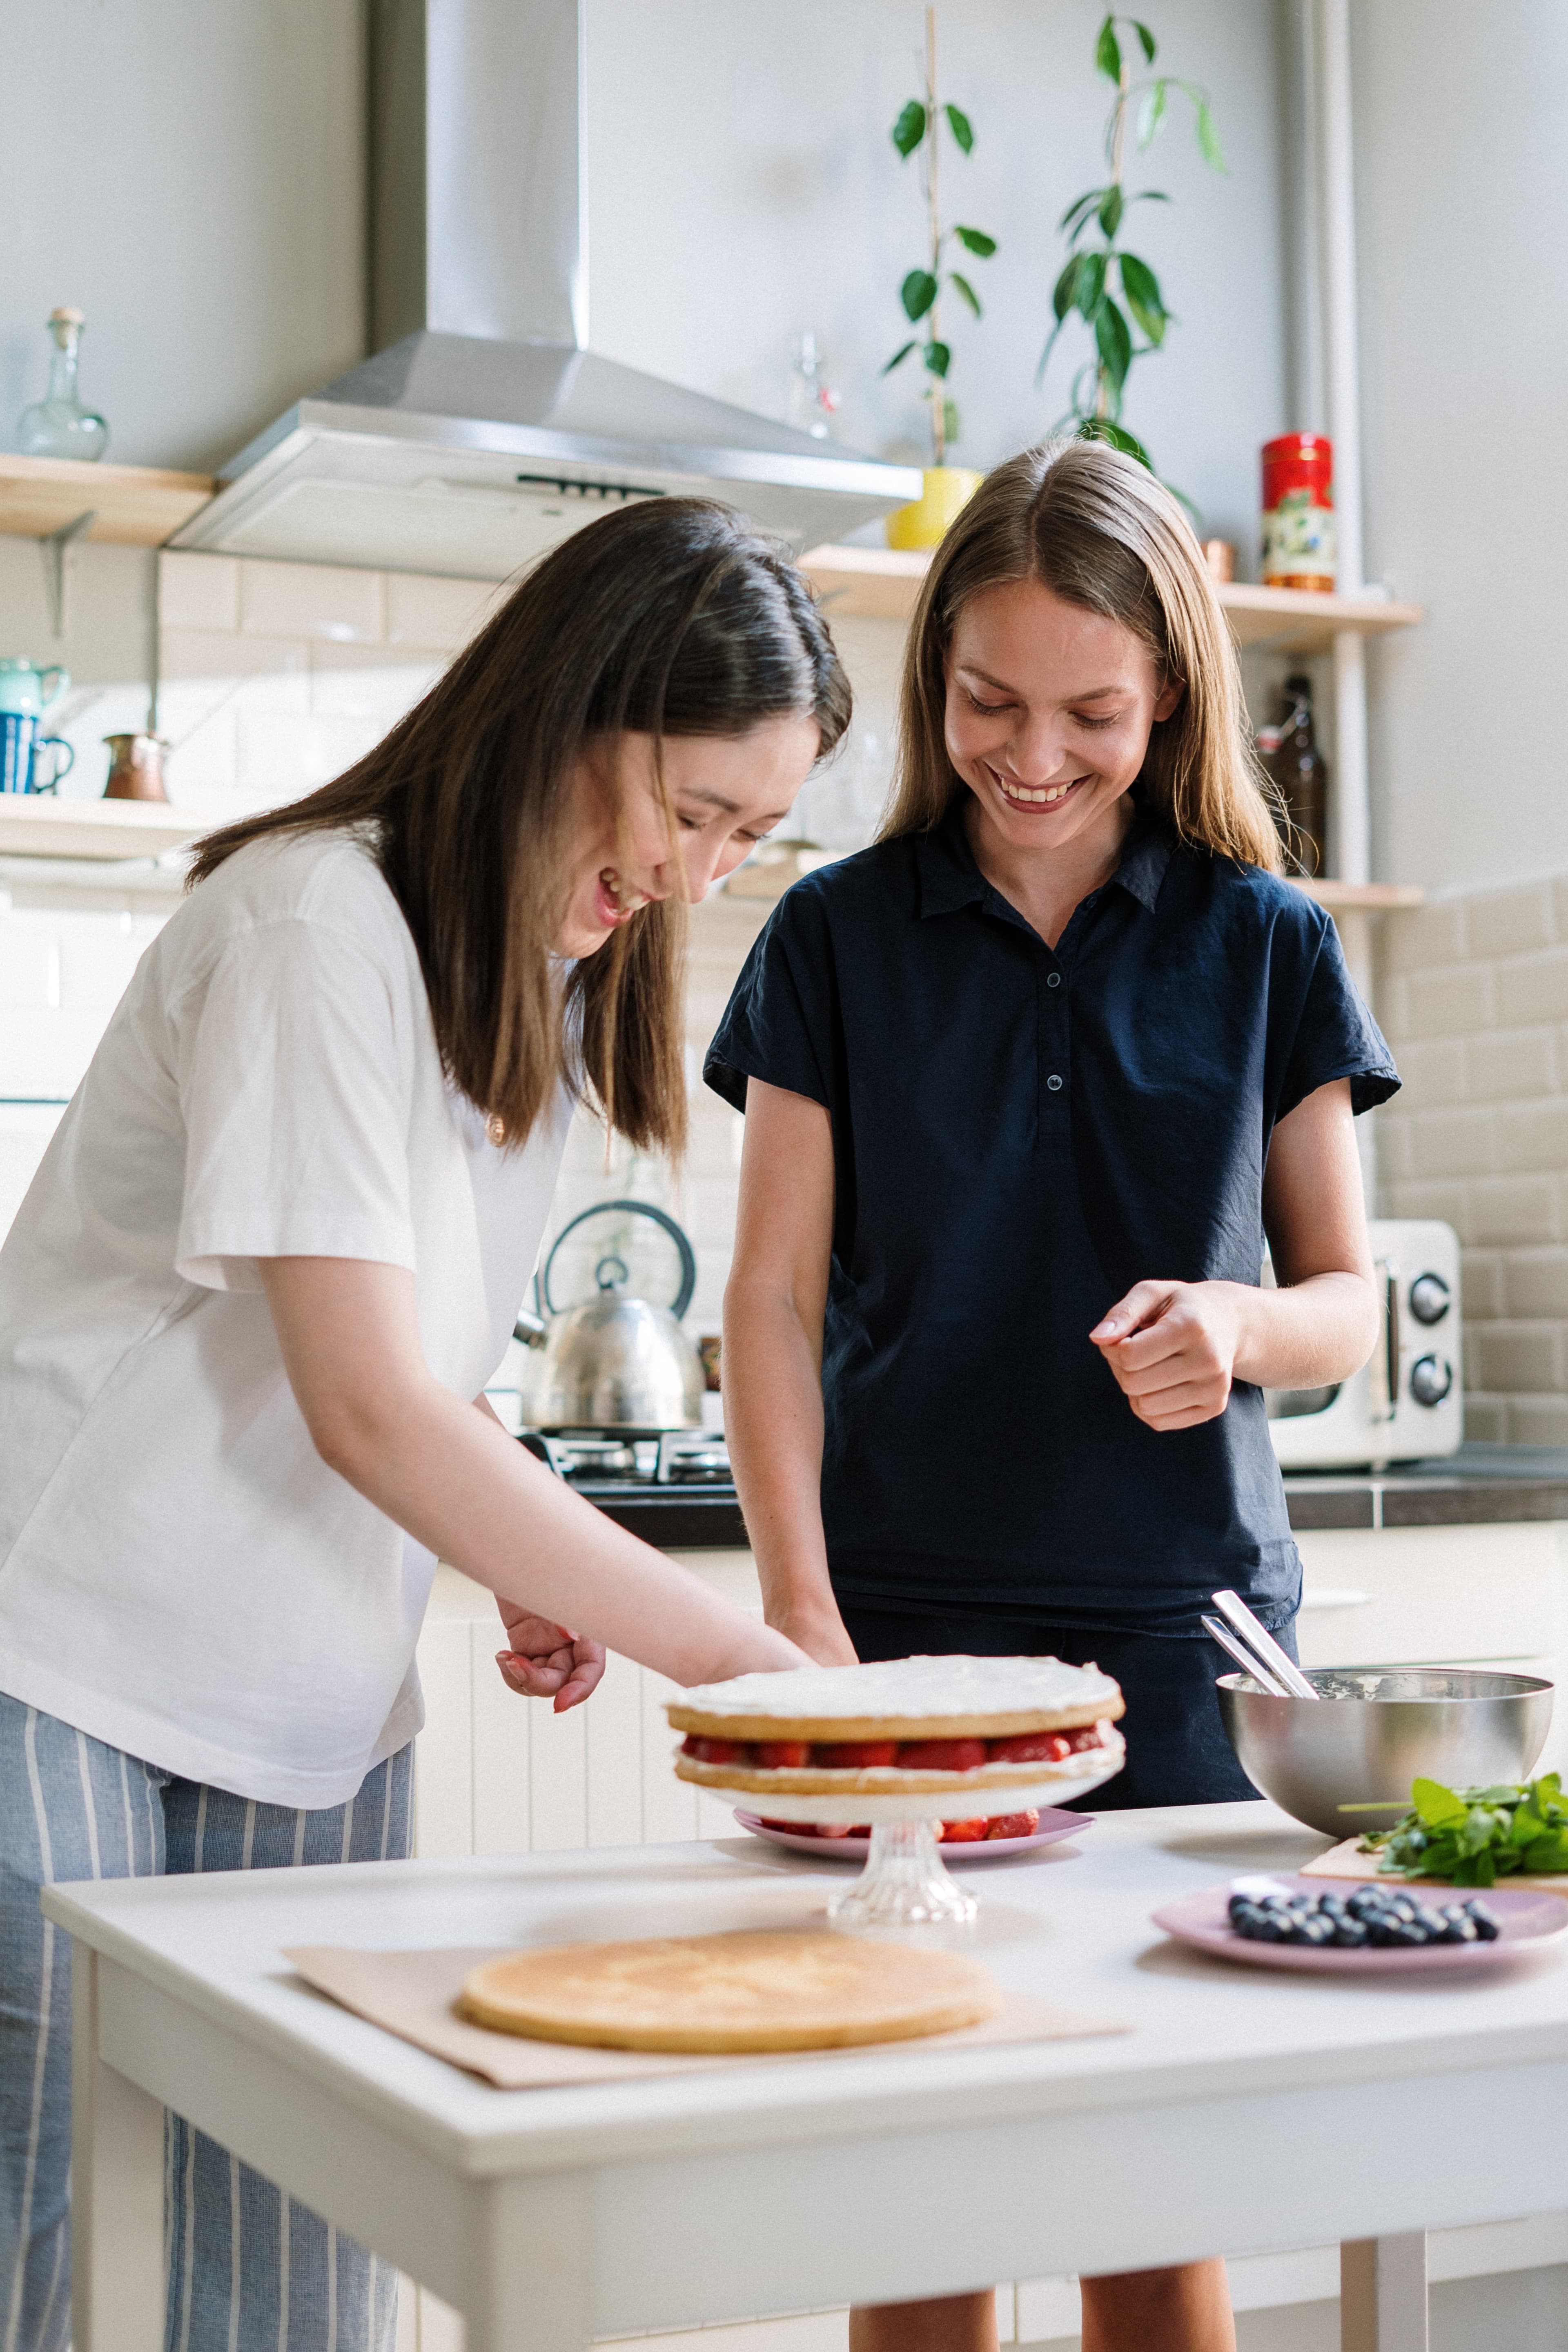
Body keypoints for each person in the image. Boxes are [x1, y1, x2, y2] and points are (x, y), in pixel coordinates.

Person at [0, 497, 844, 2352]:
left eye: (748, 840)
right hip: (57, 1665)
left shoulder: (536, 983)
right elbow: (364, 1405)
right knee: (39, 2240)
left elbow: (412, 1361)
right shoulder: (320, 918)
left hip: (308, 1709)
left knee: (293, 2287)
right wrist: (755, 1668)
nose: (703, 878)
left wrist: (513, 1527)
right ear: (578, 704)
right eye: (694, 814)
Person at [710, 441, 1398, 2352]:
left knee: (1151, 2180)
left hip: (1189, 1643)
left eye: (1091, 711)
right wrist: (801, 1613)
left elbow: (1341, 1300)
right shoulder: (837, 935)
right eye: (989, 701)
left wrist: (1245, 1332)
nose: (1035, 754)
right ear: (935, 686)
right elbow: (765, 1301)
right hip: (905, 1632)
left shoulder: (1266, 941)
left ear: (1169, 688)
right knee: (919, 2172)